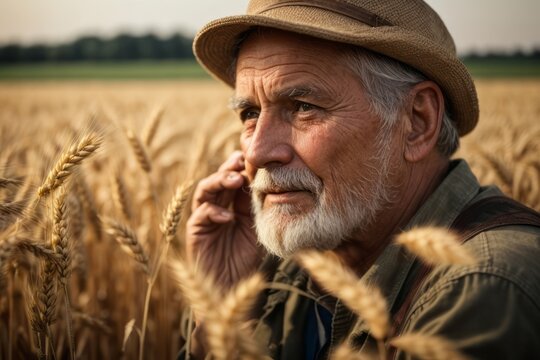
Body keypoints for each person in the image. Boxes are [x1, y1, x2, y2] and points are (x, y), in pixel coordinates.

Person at [182, 0, 540, 358]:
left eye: (304, 107)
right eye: (250, 112)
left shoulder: (484, 287)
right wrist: (220, 318)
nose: (257, 153)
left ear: (418, 122)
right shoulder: (284, 269)